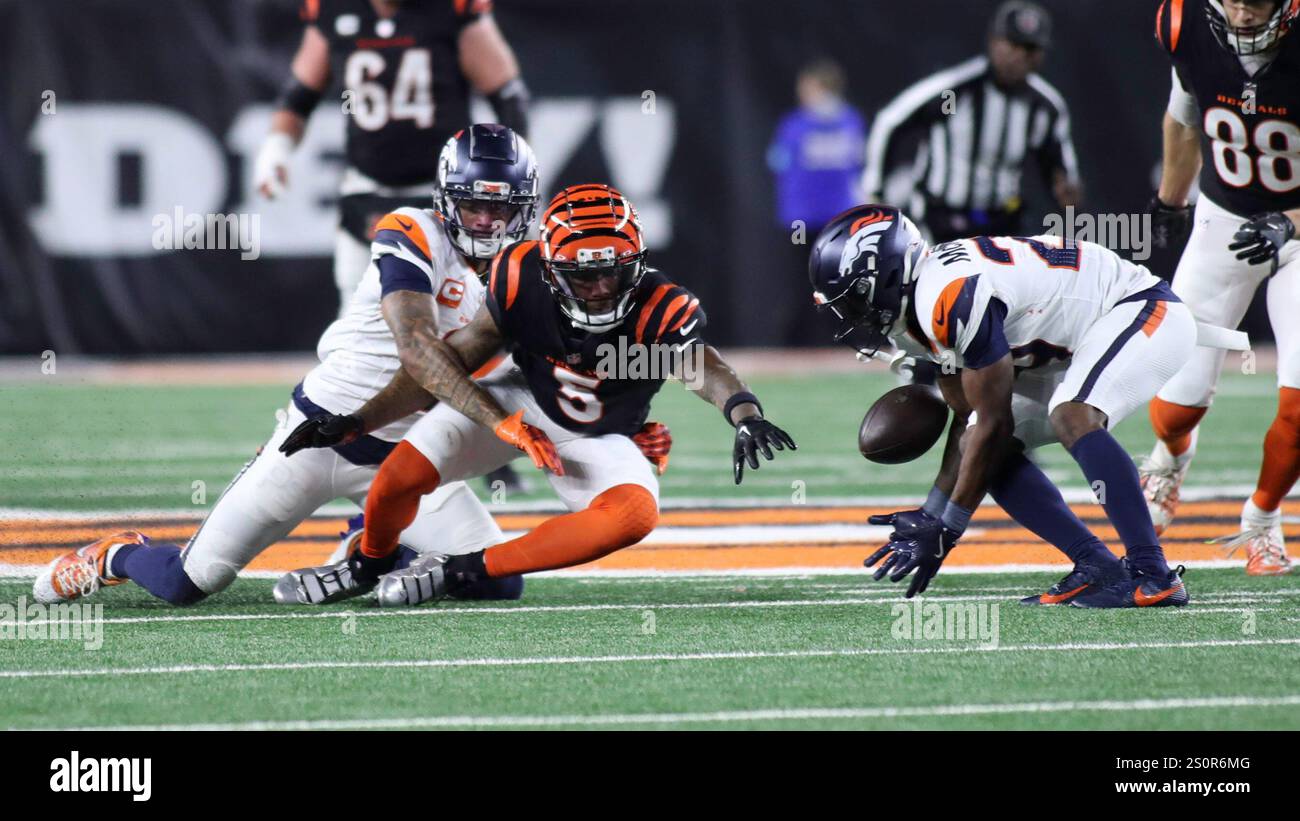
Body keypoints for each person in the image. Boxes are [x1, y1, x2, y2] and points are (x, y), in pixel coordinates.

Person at [32, 125, 544, 608]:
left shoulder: (524, 268)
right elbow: (417, 348)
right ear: (446, 198)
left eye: (501, 208)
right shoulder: (413, 230)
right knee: (187, 581)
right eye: (474, 203)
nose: (485, 220)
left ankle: (369, 546)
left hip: (410, 459)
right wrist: (497, 422)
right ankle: (116, 554)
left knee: (495, 579)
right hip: (318, 438)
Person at [279, 185, 796, 606]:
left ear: (635, 263)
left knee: (634, 513)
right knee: (398, 472)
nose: (599, 288)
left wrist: (744, 412)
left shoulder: (660, 303)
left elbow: (701, 365)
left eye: (612, 272)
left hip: (595, 432)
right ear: (550, 269)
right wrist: (360, 420)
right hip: (517, 398)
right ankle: (367, 561)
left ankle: (461, 571)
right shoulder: (519, 274)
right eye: (582, 275)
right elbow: (452, 361)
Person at [805, 204, 1227, 608]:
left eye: (855, 296)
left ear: (889, 271)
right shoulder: (916, 310)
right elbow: (972, 420)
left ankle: (1153, 574)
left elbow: (994, 418)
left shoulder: (948, 296)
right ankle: (1095, 564)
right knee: (988, 448)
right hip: (1079, 337)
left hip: (1140, 307)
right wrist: (932, 513)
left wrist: (948, 529)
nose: (851, 314)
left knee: (1072, 415)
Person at [1140, 0, 1300, 576]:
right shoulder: (1184, 27)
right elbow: (1184, 119)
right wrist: (1171, 199)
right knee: (1175, 404)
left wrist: (1291, 222)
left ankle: (1261, 519)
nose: (1241, 14)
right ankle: (1169, 459)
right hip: (1226, 216)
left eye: (1255, 2)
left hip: (1299, 231)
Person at [254, 0, 529, 315]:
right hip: (367, 190)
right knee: (359, 320)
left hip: (448, 198)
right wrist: (276, 148)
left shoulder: (451, 10)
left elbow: (508, 96)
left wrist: (510, 167)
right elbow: (298, 98)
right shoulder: (334, 10)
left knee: (462, 318)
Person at [862, 0, 1080, 244]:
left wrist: (1064, 190)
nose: (1020, 56)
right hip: (941, 220)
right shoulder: (956, 93)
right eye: (1014, 45)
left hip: (1003, 221)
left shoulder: (1044, 107)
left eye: (1030, 49)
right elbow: (892, 121)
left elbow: (1058, 168)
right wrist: (875, 191)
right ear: (994, 42)